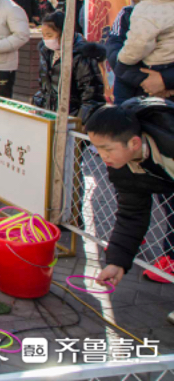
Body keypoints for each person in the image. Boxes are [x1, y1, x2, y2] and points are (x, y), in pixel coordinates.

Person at [86, 100, 174, 299]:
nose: (103, 156)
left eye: (107, 149)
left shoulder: (169, 142)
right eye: (97, 148)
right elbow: (132, 213)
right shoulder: (122, 165)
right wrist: (117, 262)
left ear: (133, 143)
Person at [106, 0, 173, 103]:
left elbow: (137, 47)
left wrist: (165, 80)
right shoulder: (127, 14)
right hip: (131, 93)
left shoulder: (154, 11)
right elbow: (114, 50)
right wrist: (146, 80)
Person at [33, 11, 105, 119]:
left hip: (71, 116)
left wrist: (79, 122)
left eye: (50, 35)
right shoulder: (46, 51)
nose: (46, 39)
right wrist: (37, 105)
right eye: (43, 35)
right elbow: (45, 88)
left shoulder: (81, 56)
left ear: (64, 33)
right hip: (49, 115)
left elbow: (91, 95)